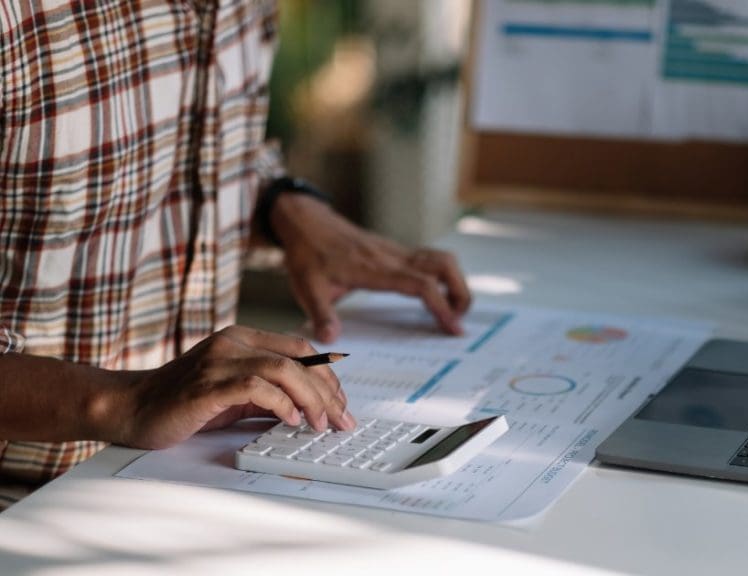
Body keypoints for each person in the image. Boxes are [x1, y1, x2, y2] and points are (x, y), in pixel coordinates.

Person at [0, 1, 471, 510]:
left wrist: (282, 208)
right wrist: (122, 400)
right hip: (29, 511)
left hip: (180, 483)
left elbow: (198, 146)